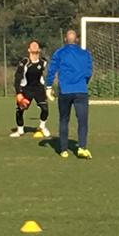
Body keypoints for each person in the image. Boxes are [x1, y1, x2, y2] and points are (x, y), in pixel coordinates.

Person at [44, 29, 93, 159]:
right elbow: (89, 73)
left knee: (64, 120)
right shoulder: (85, 54)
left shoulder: (59, 53)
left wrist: (48, 86)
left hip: (65, 91)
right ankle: (82, 147)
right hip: (81, 91)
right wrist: (83, 83)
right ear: (77, 40)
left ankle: (64, 150)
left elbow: (52, 70)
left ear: (65, 39)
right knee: (82, 121)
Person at [11, 40, 51, 138]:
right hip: (26, 89)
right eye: (32, 45)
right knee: (20, 110)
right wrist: (19, 93)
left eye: (36, 45)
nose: (34, 46)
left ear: (39, 49)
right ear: (29, 49)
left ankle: (42, 126)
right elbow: (17, 77)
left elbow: (46, 75)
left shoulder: (43, 62)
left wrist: (48, 87)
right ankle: (20, 130)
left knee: (45, 109)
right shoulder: (24, 62)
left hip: (38, 89)